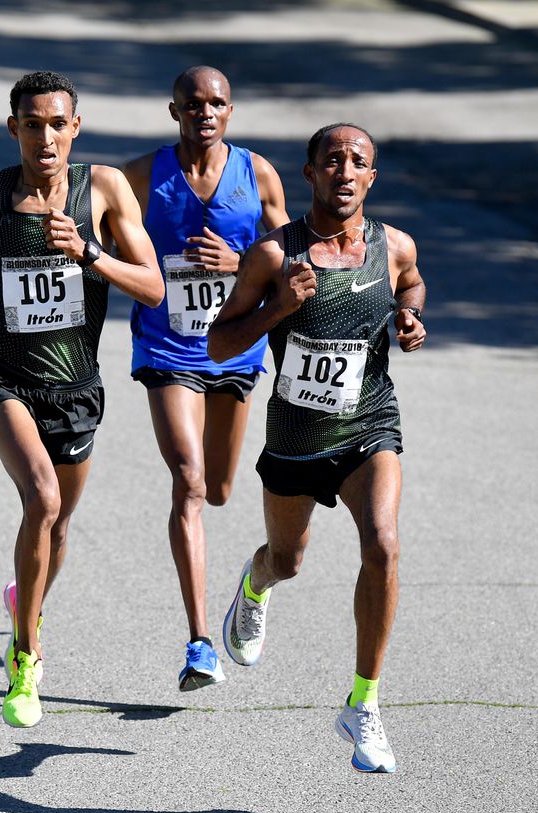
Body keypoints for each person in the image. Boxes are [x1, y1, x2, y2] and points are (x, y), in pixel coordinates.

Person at [0, 71, 165, 728]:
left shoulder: (106, 189)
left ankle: (24, 602)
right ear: (15, 130)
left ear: (75, 128)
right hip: (6, 381)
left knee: (58, 528)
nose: (46, 136)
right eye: (32, 124)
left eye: (58, 123)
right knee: (43, 499)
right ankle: (26, 657)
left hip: (76, 390)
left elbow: (152, 288)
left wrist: (90, 253)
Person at [208, 123, 427, 772]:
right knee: (288, 560)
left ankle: (363, 703)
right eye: (331, 160)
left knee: (383, 545)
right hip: (297, 441)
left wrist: (413, 317)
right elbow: (220, 345)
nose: (344, 170)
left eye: (357, 161)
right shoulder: (275, 255)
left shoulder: (394, 247)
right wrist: (279, 308)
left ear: (370, 179)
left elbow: (411, 283)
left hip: (368, 427)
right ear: (310, 174)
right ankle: (255, 586)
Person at [122, 66, 289, 693]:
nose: (206, 113)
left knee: (219, 488)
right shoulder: (143, 175)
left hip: (235, 351)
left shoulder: (259, 174)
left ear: (231, 110)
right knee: (188, 481)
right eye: (193, 104)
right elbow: (99, 229)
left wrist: (240, 261)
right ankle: (198, 645)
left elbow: (291, 257)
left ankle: (248, 585)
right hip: (166, 346)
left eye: (217, 103)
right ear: (175, 111)